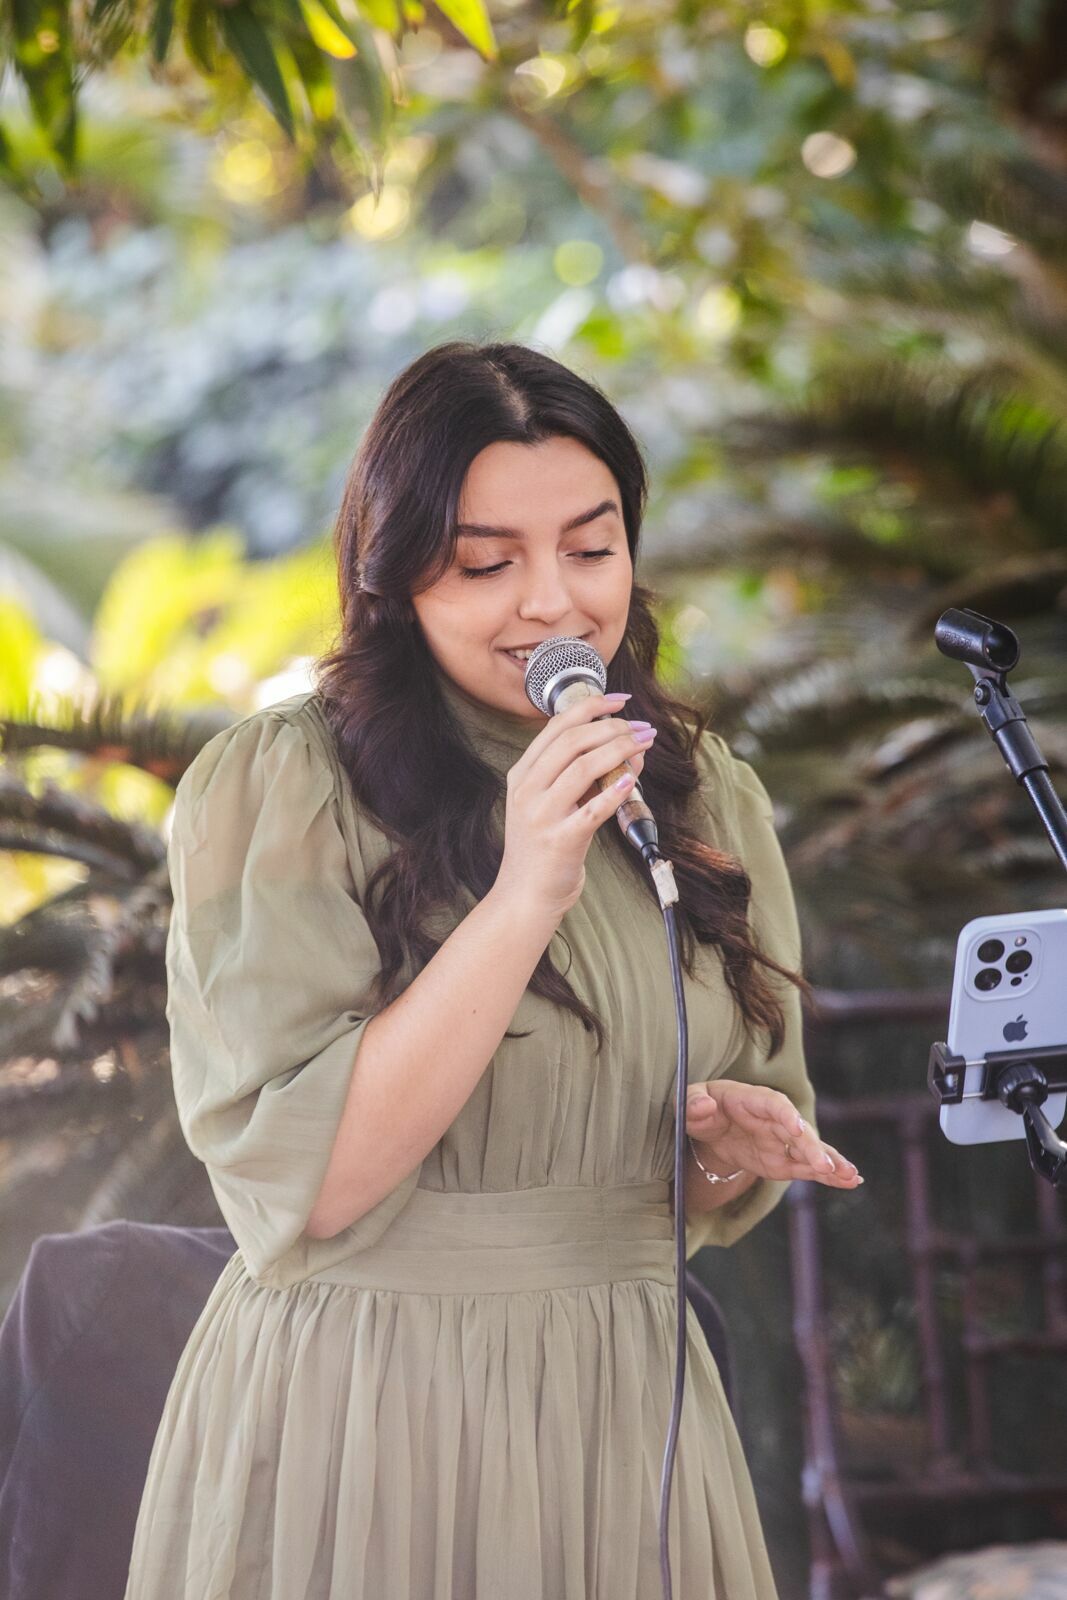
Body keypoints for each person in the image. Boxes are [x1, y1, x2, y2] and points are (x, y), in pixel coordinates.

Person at [123, 340, 862, 1600]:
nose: (553, 604)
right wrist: (526, 890)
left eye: (591, 548)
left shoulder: (701, 795)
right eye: (487, 564)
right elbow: (316, 1181)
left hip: (624, 1407)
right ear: (394, 573)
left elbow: (702, 1158)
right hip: (365, 1412)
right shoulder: (288, 785)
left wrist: (724, 1144)